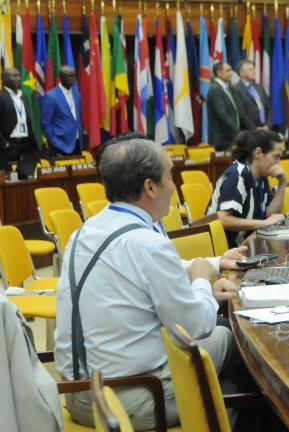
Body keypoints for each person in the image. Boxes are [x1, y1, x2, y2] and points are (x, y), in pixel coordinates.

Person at [55, 134, 247, 430]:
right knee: (232, 339)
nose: (174, 186)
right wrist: (201, 283)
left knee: (225, 374)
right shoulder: (147, 243)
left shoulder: (83, 232)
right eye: (170, 176)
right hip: (134, 396)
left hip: (79, 394)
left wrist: (209, 271)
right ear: (149, 186)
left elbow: (144, 277)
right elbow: (196, 326)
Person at [207, 129, 287, 248]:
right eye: (276, 157)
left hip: (243, 247)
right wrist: (264, 223)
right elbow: (222, 219)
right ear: (258, 153)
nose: (278, 164)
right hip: (220, 250)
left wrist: (282, 183)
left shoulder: (261, 177)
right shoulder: (237, 175)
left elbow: (271, 215)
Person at [0, 67, 39, 171]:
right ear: (4, 79)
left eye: (19, 76)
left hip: (26, 144)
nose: (18, 78)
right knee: (9, 178)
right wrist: (5, 144)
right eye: (14, 76)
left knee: (27, 177)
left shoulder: (24, 96)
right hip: (10, 145)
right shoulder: (1, 97)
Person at [41, 65, 83, 156]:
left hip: (77, 143)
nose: (73, 79)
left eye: (74, 76)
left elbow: (78, 118)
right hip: (60, 145)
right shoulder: (50, 96)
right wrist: (54, 141)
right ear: (61, 78)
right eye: (69, 76)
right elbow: (45, 122)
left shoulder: (77, 95)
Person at [207, 62, 240, 151]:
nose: (231, 73)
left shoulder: (225, 88)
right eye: (228, 71)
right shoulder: (215, 89)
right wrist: (236, 130)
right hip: (222, 140)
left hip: (229, 138)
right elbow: (222, 114)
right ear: (219, 72)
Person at [231, 59, 271, 131]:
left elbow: (268, 108)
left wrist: (268, 126)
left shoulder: (259, 87)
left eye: (254, 69)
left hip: (265, 129)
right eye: (250, 69)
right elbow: (241, 114)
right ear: (241, 73)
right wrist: (255, 129)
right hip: (249, 132)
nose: (254, 71)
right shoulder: (235, 89)